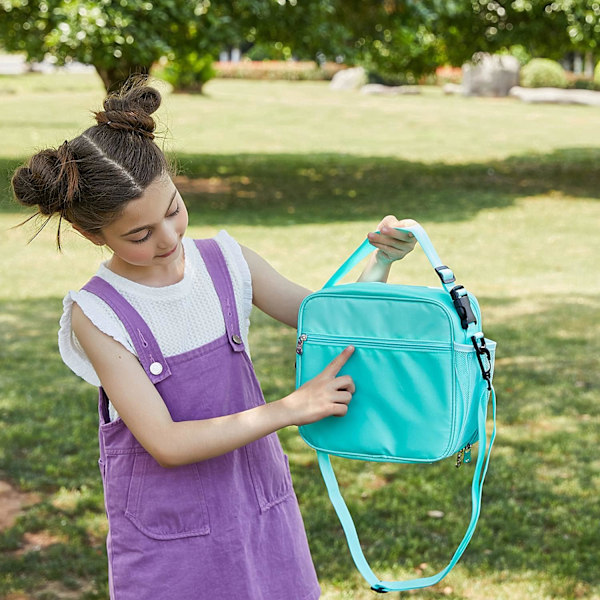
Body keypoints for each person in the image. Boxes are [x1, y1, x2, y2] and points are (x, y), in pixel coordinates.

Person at [11, 75, 417, 600]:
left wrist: (381, 259)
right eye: (140, 234)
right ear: (94, 235)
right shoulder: (98, 313)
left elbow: (334, 321)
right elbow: (167, 444)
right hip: (170, 543)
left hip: (259, 510)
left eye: (173, 209)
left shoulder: (227, 262)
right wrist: (291, 408)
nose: (169, 237)